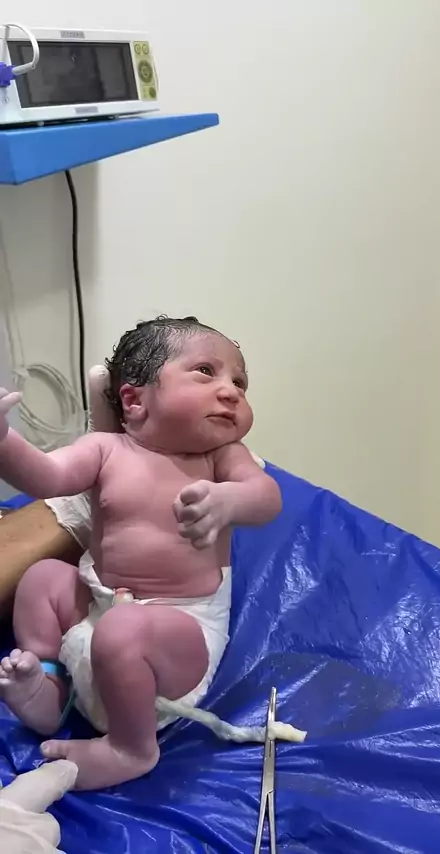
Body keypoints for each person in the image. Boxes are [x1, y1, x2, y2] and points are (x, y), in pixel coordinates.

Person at [0, 316, 282, 790]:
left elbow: (266, 497)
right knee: (43, 577)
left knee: (124, 628)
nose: (231, 391)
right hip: (98, 610)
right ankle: (48, 685)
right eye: (206, 372)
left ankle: (131, 749)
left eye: (240, 382)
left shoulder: (220, 458)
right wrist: (6, 443)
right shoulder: (105, 449)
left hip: (176, 636)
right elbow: (47, 476)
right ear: (134, 400)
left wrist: (229, 500)